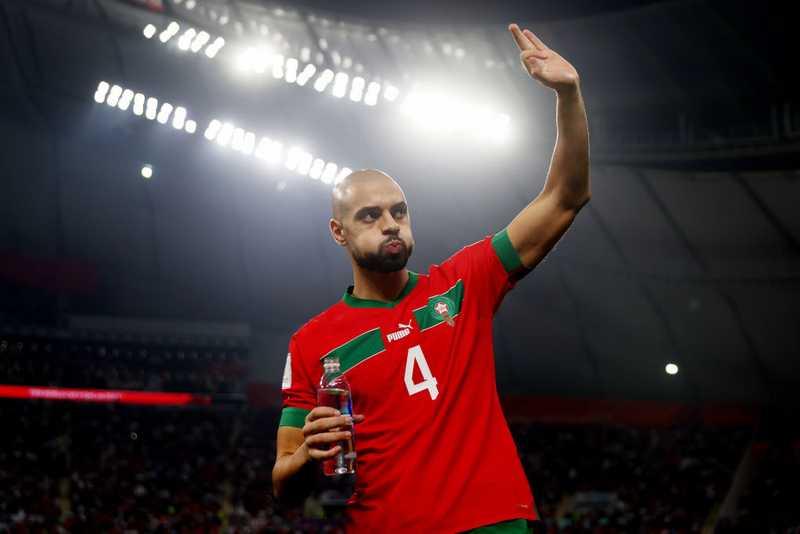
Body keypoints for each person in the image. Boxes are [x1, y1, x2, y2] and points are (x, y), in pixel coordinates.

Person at [272, 23, 590, 533]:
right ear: (338, 232)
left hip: (493, 523)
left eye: (398, 211)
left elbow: (565, 198)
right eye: (369, 216)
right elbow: (283, 485)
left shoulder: (463, 284)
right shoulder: (311, 343)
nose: (390, 223)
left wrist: (568, 96)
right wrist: (309, 454)